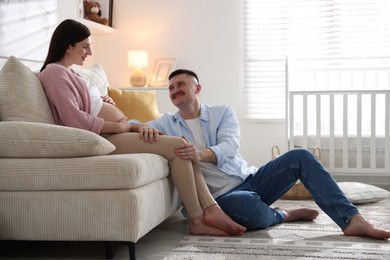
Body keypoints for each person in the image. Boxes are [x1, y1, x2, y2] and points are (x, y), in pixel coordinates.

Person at [38, 19, 246, 237]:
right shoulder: (54, 73)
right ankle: (200, 217)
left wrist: (124, 119)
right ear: (68, 45)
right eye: (85, 46)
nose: (89, 52)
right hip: (104, 136)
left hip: (116, 130)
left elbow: (87, 105)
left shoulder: (72, 73)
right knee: (178, 146)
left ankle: (210, 210)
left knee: (182, 146)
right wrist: (119, 126)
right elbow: (74, 119)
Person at [144, 68, 390, 240]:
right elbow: (135, 124)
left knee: (301, 155)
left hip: (250, 180)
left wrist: (199, 153)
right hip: (218, 200)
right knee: (244, 206)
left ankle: (351, 220)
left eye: (181, 84)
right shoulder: (165, 123)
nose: (175, 90)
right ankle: (284, 214)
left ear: (197, 88)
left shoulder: (222, 113)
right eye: (171, 88)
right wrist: (122, 118)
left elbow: (229, 148)